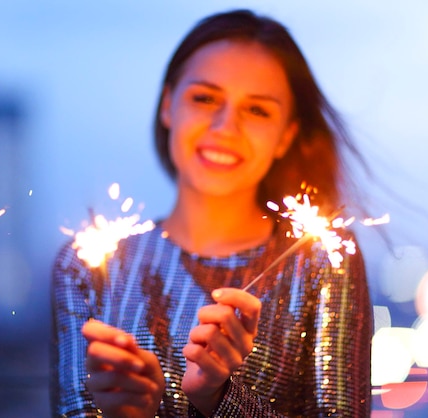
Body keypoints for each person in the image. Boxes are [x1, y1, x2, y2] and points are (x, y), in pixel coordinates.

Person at [51, 8, 372, 417]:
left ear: (285, 135)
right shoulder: (86, 268)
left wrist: (218, 397)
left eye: (257, 110)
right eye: (204, 98)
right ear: (168, 106)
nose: (225, 126)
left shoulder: (321, 259)